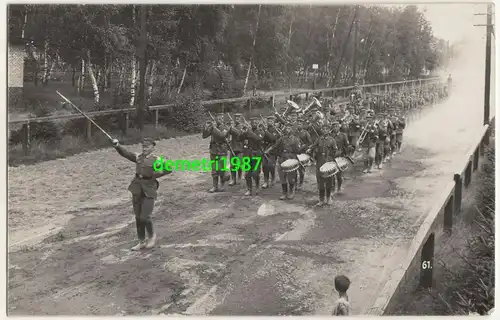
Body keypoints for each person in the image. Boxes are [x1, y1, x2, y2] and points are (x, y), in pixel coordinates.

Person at [111, 137, 172, 251]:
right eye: (143, 146)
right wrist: (117, 146)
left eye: (147, 147)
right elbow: (126, 154)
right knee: (138, 217)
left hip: (149, 189)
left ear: (152, 147)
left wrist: (157, 174)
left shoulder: (157, 159)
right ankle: (141, 241)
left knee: (145, 216)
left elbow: (169, 169)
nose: (145, 149)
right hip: (137, 188)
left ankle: (152, 237)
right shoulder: (138, 157)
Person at [307, 123, 338, 206]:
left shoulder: (332, 140)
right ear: (321, 130)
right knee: (320, 181)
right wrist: (309, 149)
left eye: (326, 129)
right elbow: (313, 146)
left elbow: (335, 151)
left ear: (329, 130)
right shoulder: (318, 139)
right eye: (323, 129)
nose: (325, 130)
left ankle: (328, 198)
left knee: (329, 181)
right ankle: (321, 199)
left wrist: (331, 159)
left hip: (328, 162)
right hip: (320, 162)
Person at [202, 113, 230, 193]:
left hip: (222, 150)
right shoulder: (212, 128)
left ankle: (222, 185)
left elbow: (222, 135)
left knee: (221, 169)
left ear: (223, 119)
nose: (219, 120)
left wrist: (213, 127)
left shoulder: (226, 127)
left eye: (220, 119)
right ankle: (215, 186)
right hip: (213, 150)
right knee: (214, 169)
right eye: (218, 119)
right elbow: (204, 136)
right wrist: (206, 127)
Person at [240, 117, 265, 196]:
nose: (254, 123)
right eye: (252, 122)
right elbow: (239, 138)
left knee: (255, 173)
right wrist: (243, 132)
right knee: (247, 174)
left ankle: (257, 187)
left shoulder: (261, 131)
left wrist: (249, 132)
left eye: (256, 122)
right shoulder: (248, 131)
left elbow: (258, 139)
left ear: (258, 123)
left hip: (257, 155)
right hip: (247, 155)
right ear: (250, 123)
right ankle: (249, 189)